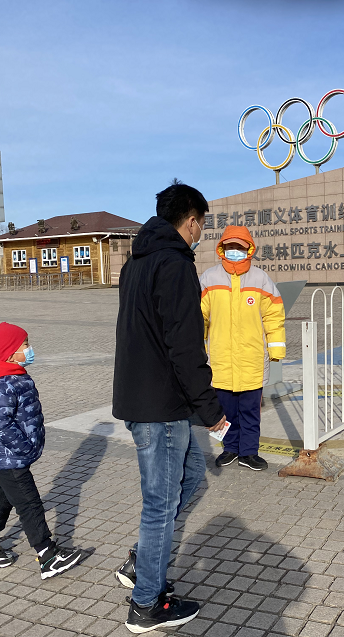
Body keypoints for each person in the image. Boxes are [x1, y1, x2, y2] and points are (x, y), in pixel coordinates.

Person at [112, 182, 227, 633]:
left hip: (151, 399)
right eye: (202, 225)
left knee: (192, 475)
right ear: (191, 221)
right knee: (160, 505)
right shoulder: (175, 265)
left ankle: (142, 561)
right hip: (159, 406)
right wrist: (211, 409)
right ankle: (147, 604)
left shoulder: (136, 262)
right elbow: (185, 346)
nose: (201, 234)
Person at [0, 322, 84, 579]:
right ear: (10, 353)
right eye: (25, 345)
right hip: (9, 458)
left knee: (2, 500)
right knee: (30, 504)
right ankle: (48, 555)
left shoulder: (16, 376)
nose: (30, 349)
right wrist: (25, 447)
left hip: (9, 458)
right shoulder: (3, 383)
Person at [200, 226, 286, 471]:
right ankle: (229, 448)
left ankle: (249, 452)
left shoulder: (260, 279)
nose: (234, 250)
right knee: (226, 411)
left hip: (251, 359)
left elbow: (273, 316)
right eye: (230, 246)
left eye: (239, 246)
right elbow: (199, 317)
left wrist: (276, 348)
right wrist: (197, 351)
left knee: (250, 411)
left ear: (249, 249)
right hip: (221, 360)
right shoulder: (209, 278)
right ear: (222, 248)